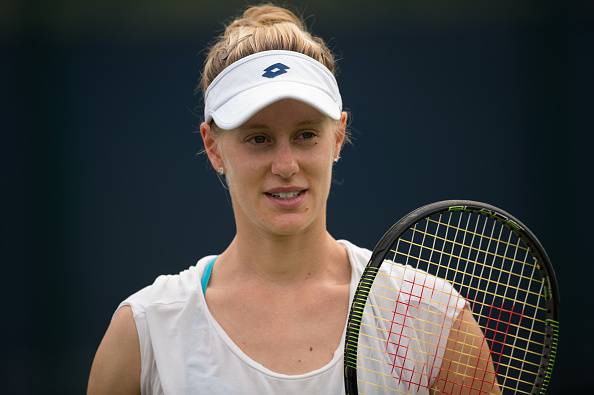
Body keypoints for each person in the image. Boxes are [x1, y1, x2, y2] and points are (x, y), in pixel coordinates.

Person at [88, 4, 500, 394]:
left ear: (337, 136)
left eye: (305, 135)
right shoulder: (145, 333)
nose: (285, 165)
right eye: (259, 138)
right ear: (213, 147)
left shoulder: (430, 316)